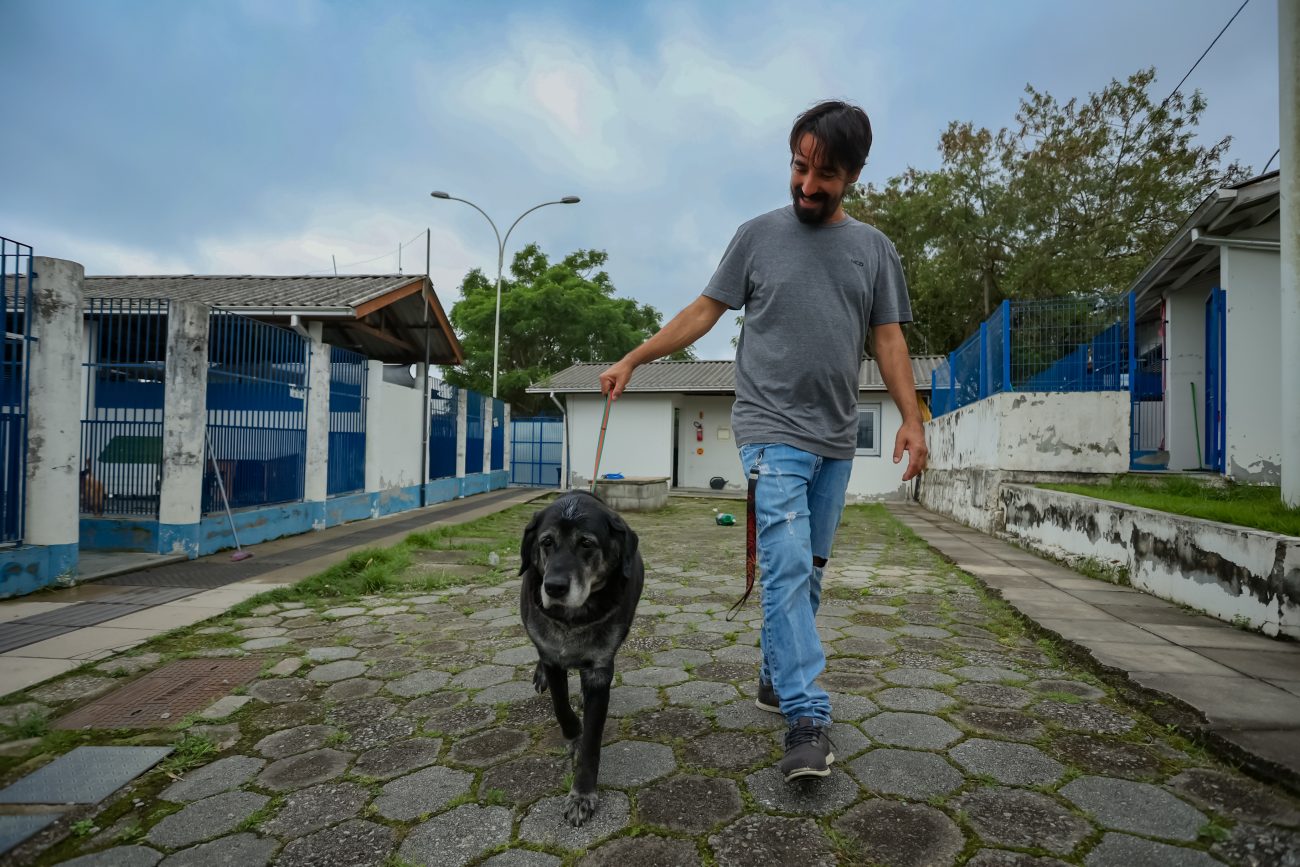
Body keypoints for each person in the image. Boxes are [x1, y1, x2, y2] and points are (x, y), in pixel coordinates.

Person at [599, 99, 927, 782]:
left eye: (825, 174)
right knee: (782, 567)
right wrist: (635, 357)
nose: (808, 185)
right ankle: (807, 716)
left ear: (854, 175)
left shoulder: (874, 250)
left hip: (835, 437)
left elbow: (889, 338)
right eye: (799, 167)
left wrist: (912, 419)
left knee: (805, 571)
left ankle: (776, 672)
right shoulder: (756, 237)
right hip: (769, 429)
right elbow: (702, 311)